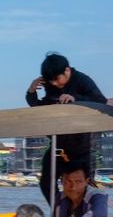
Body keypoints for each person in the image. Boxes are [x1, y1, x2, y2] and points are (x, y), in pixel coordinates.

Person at [25, 53, 107, 203]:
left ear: (67, 70)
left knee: (82, 187)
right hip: (58, 145)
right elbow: (39, 107)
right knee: (46, 183)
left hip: (81, 147)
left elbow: (101, 101)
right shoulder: (51, 85)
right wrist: (31, 91)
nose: (55, 84)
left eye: (57, 79)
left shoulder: (82, 80)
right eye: (51, 81)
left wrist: (76, 99)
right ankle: (59, 212)